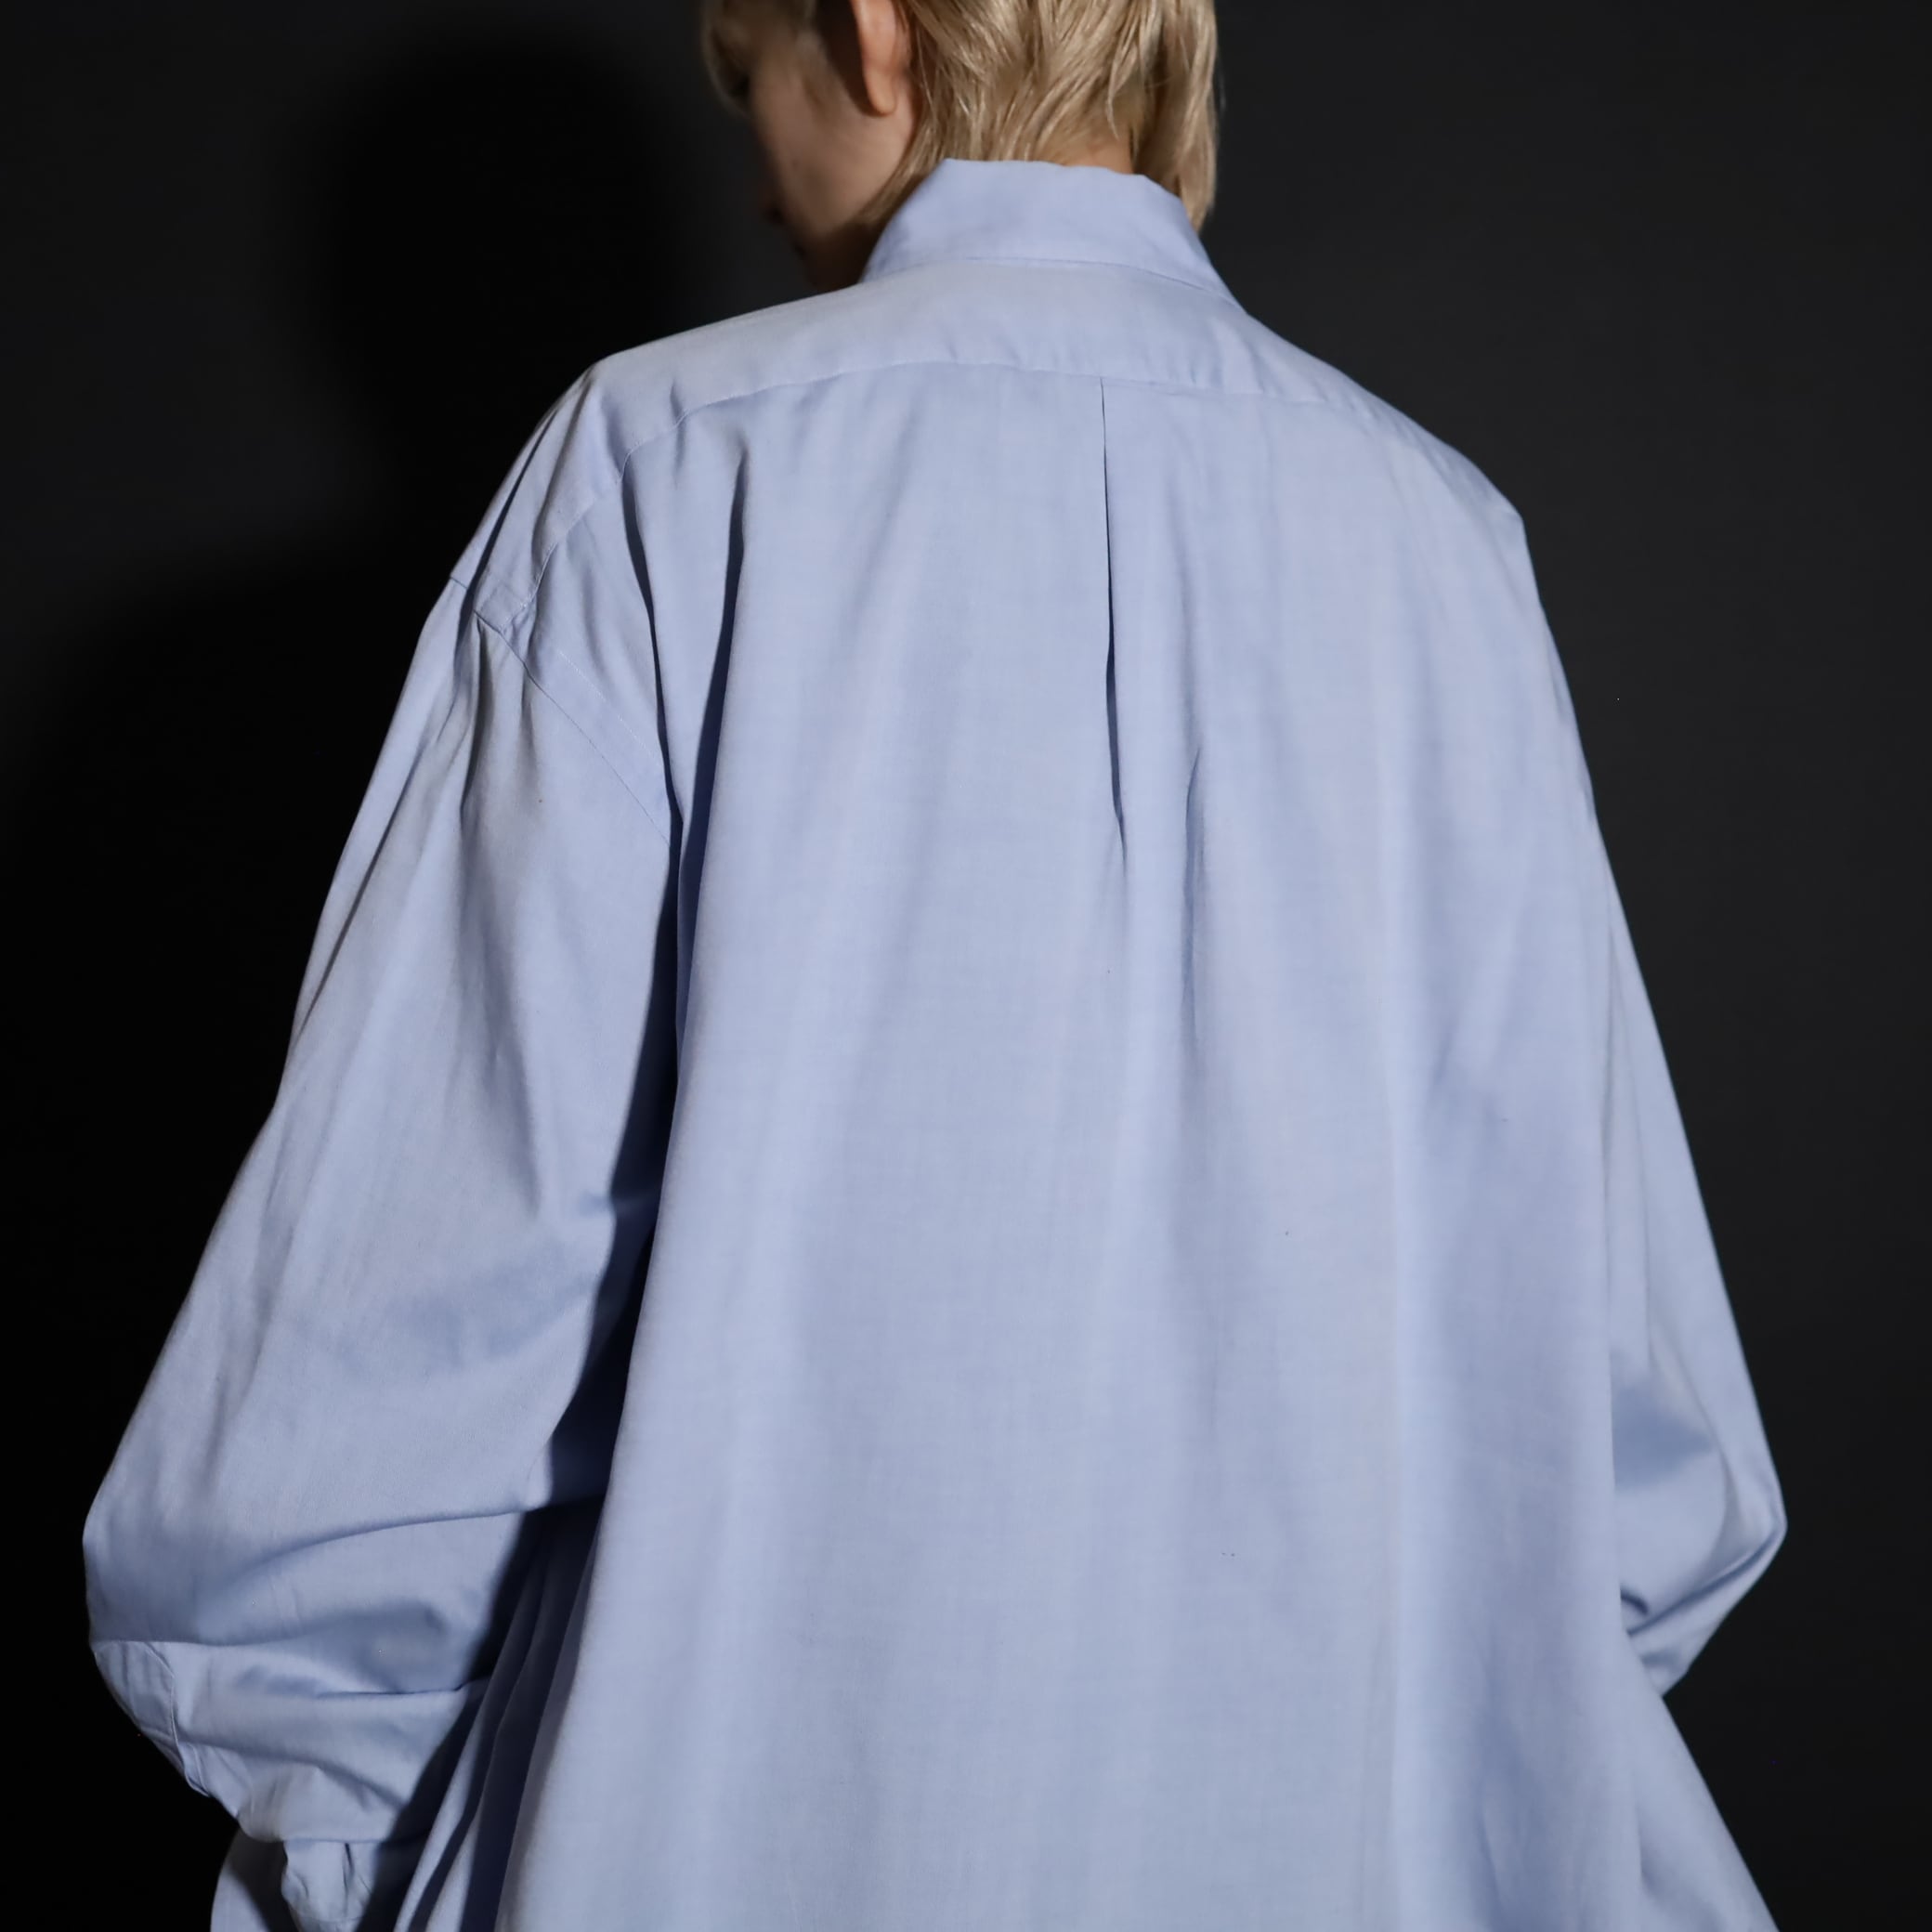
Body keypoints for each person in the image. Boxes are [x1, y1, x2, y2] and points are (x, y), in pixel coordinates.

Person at [83, 3, 1789, 1927]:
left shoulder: (666, 461)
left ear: (878, 35)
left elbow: (391, 1357)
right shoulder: (1442, 534)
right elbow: (1634, 1453)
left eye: (756, 88)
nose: (754, 184)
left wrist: (363, 1835)